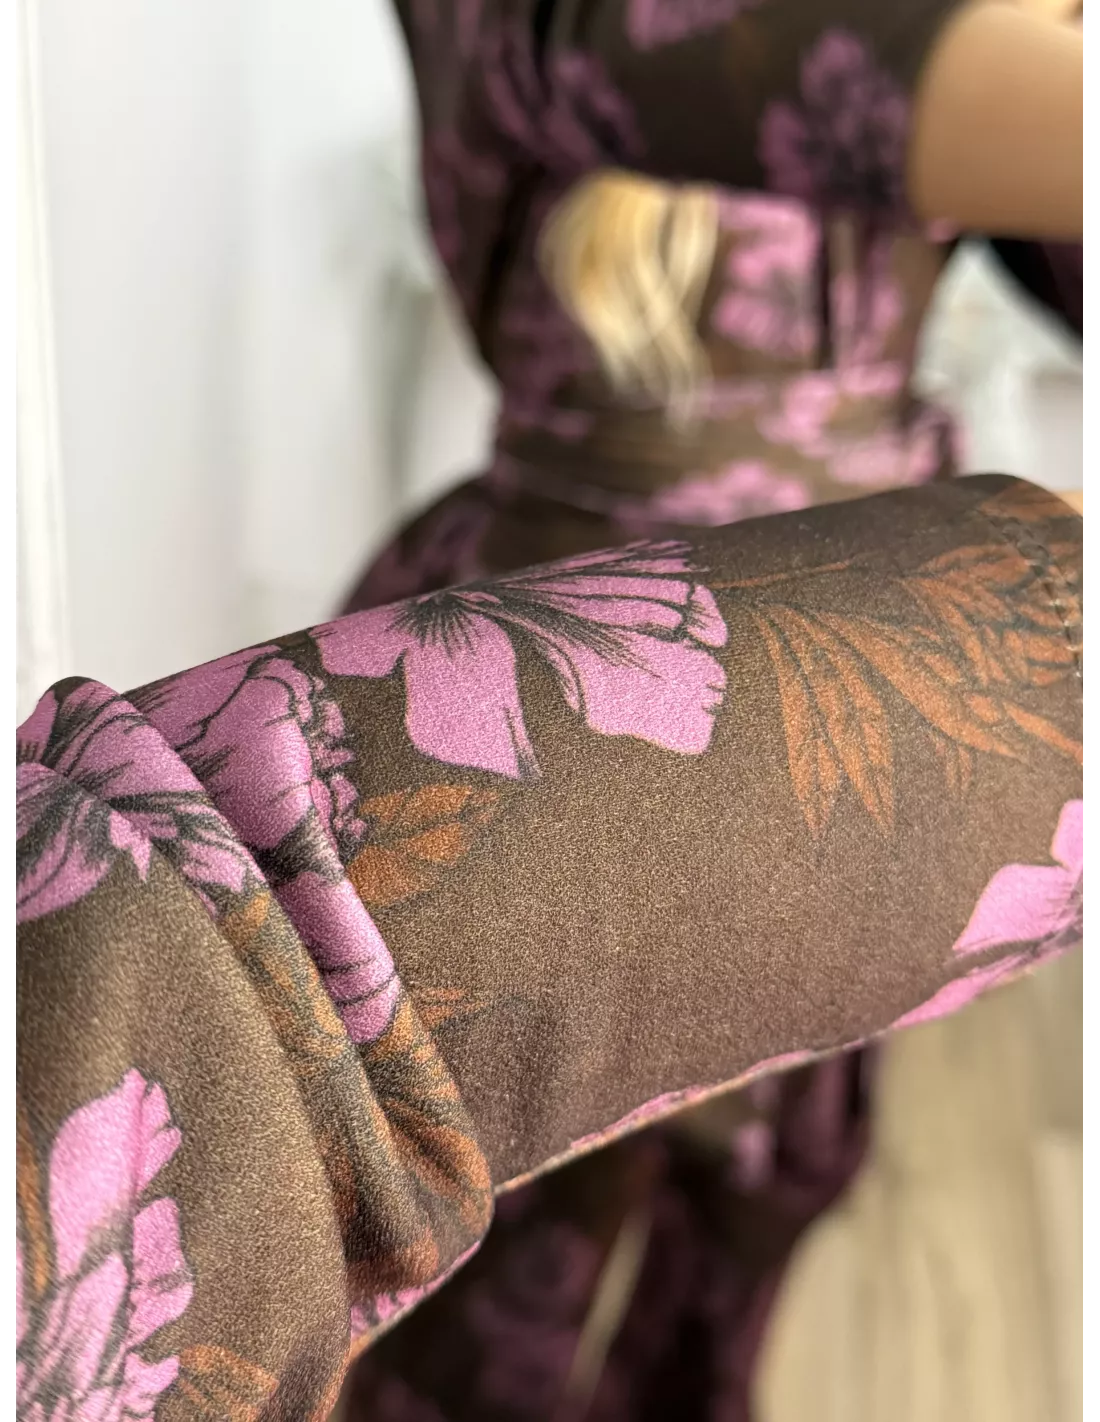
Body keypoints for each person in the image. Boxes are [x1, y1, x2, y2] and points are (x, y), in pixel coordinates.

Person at [334, 1, 1085, 1415]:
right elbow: (752, 63)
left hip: (853, 693)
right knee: (484, 1261)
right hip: (545, 696)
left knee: (750, 1221)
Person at [16, 476, 1084, 1422]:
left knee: (712, 1231)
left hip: (742, 660)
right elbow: (197, 1000)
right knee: (526, 1281)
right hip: (749, 668)